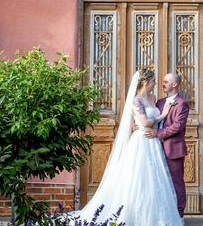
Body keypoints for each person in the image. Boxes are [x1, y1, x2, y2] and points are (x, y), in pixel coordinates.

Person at [72, 68, 182, 226]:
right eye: (153, 81)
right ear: (145, 82)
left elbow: (145, 120)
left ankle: (157, 216)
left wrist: (146, 124)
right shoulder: (136, 100)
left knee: (155, 180)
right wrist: (162, 115)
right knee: (138, 178)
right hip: (141, 142)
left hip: (154, 143)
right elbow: (144, 122)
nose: (155, 83)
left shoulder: (153, 97)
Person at [145, 72, 190, 217]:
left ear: (174, 84)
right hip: (156, 149)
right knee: (160, 182)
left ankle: (179, 213)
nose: (162, 84)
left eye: (165, 82)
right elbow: (154, 119)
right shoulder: (160, 102)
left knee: (176, 182)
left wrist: (158, 134)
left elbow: (178, 126)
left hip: (173, 149)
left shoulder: (182, 104)